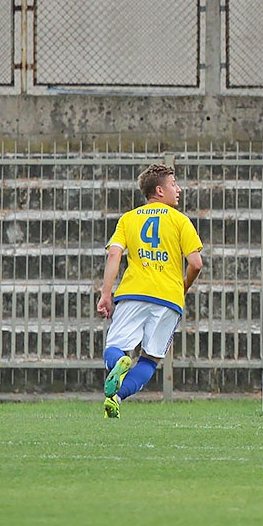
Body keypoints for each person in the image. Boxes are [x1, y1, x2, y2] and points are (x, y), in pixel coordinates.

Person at [96, 164, 203, 418]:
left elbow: (114, 254)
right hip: (168, 299)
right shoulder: (180, 221)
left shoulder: (128, 218)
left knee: (115, 347)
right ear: (159, 190)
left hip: (133, 293)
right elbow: (196, 263)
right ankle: (117, 398)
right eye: (173, 184)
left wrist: (106, 294)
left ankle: (116, 365)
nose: (178, 189)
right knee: (150, 359)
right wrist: (183, 286)